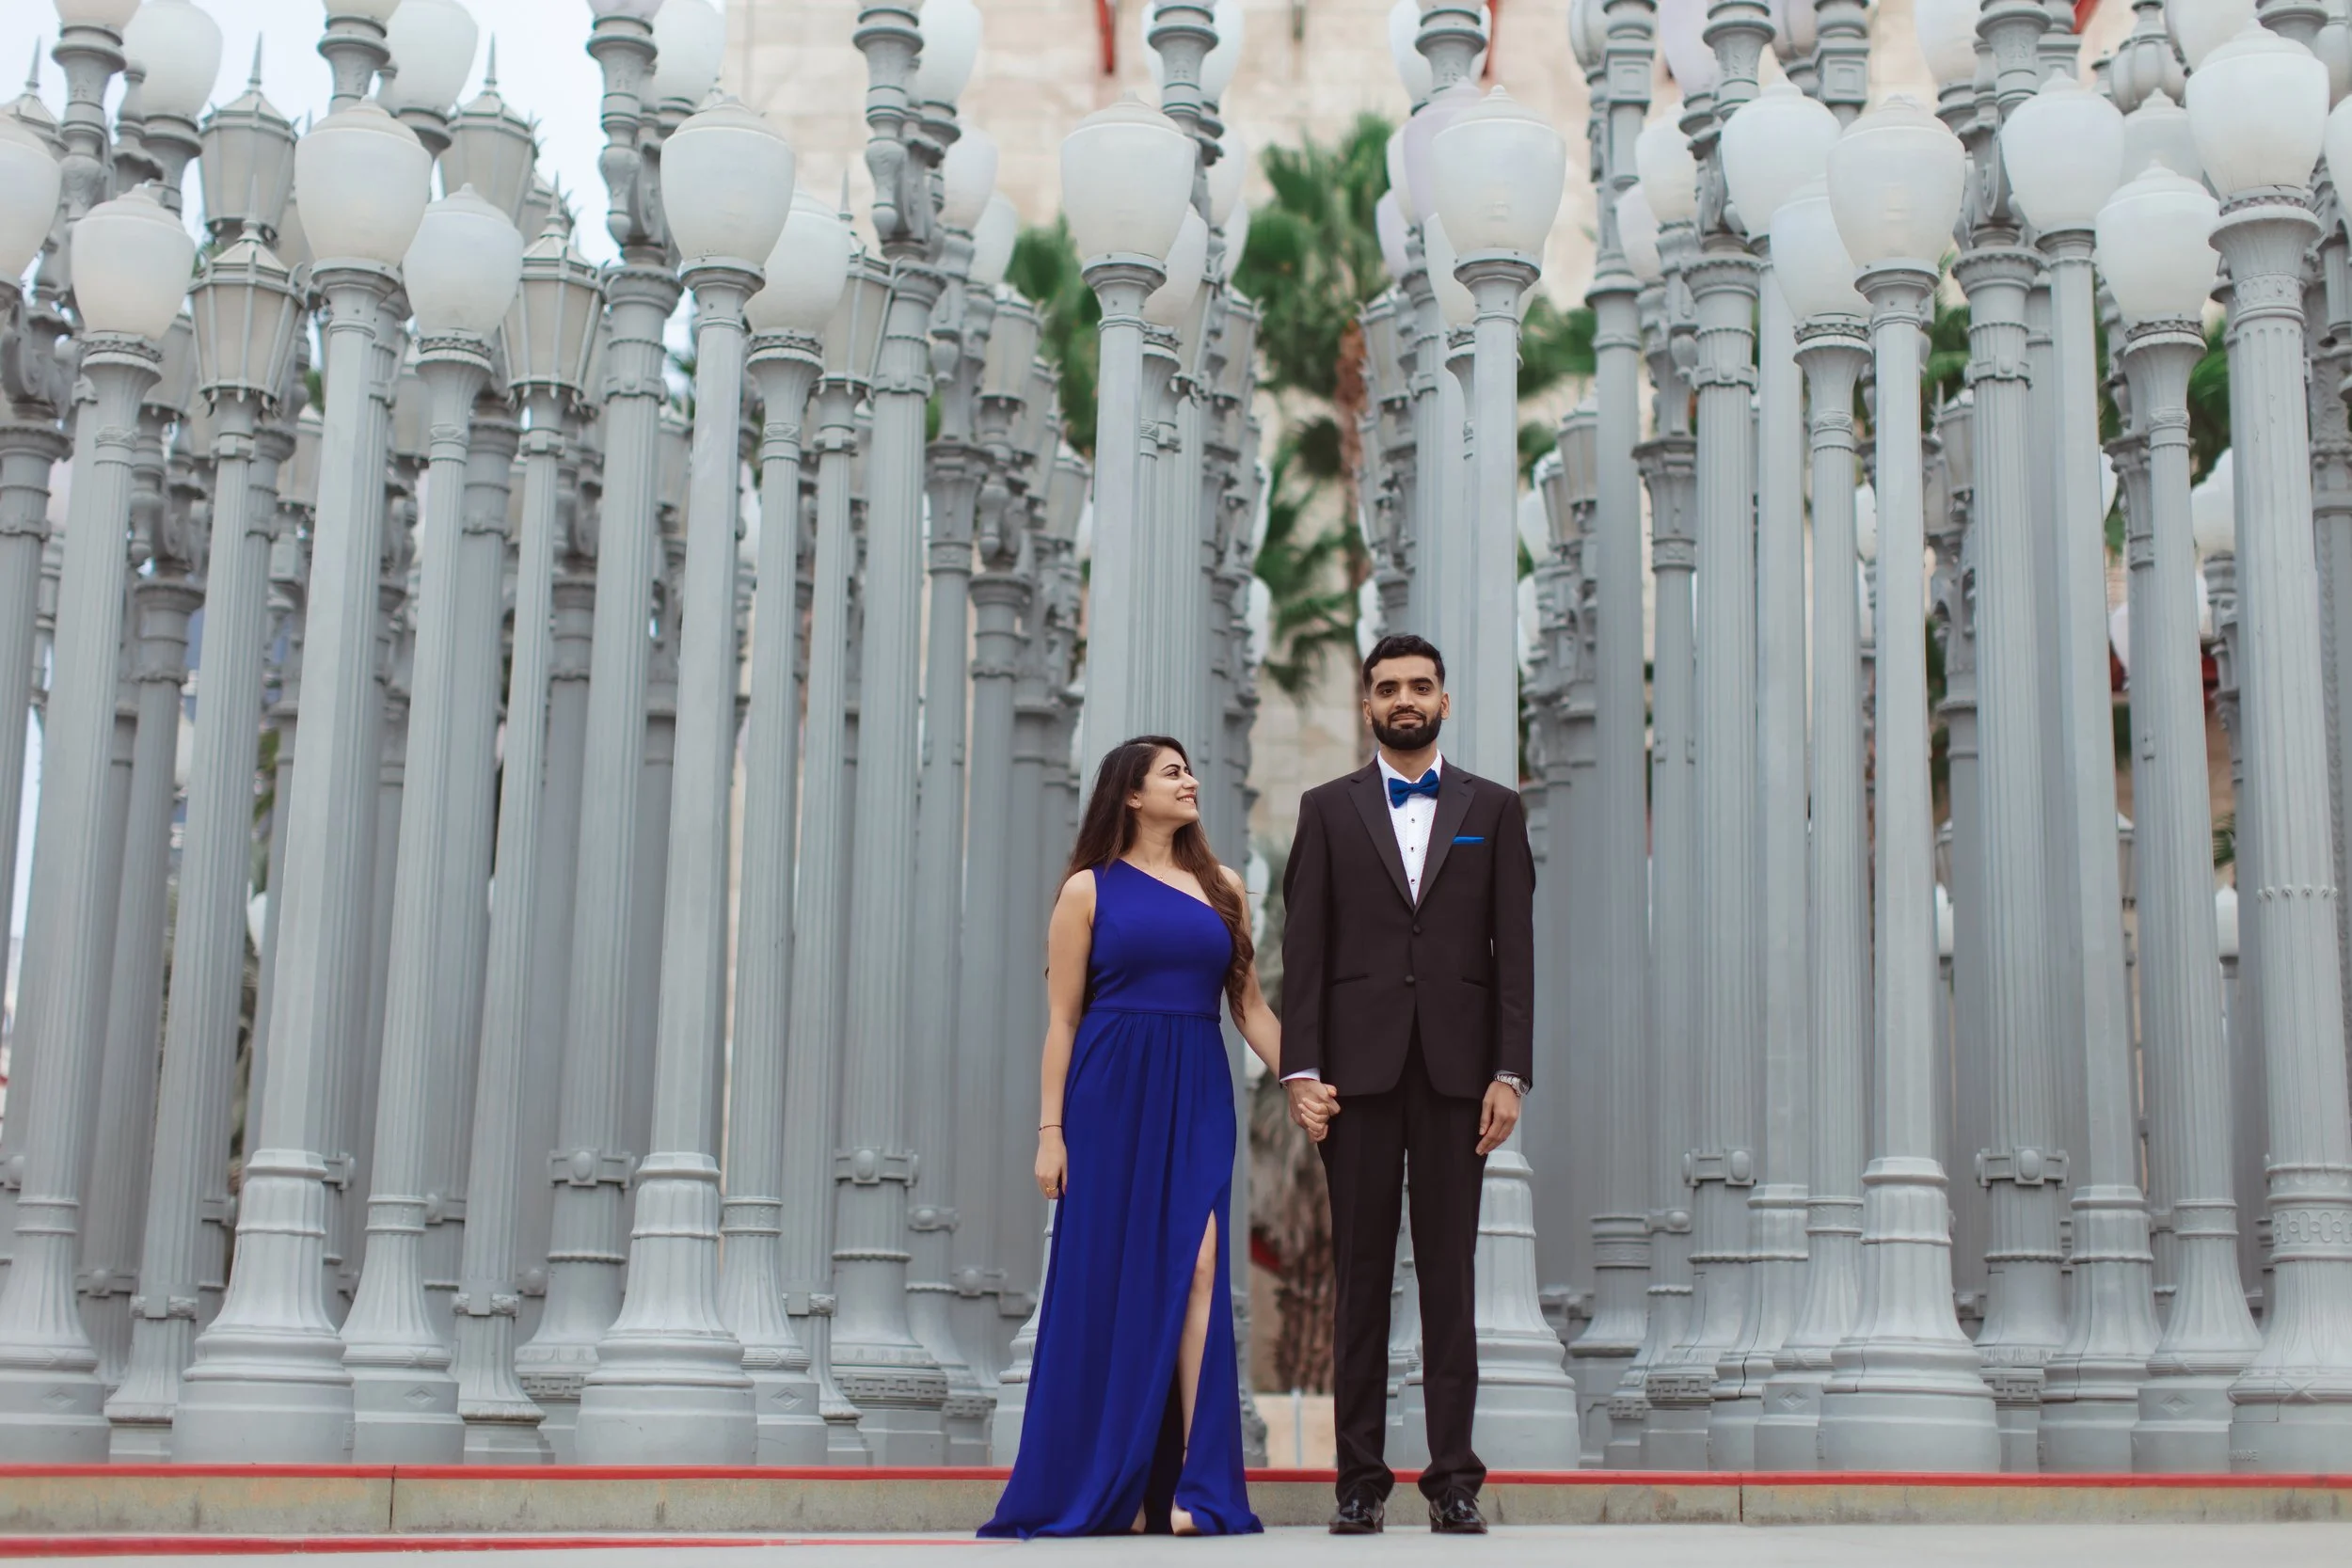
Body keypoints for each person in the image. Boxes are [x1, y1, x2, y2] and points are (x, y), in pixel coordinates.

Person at [981, 736, 1284, 1539]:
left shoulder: (1223, 887)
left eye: (1190, 769)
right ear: (1130, 793)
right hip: (1109, 1096)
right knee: (1110, 1281)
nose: (1191, 781)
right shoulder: (1086, 889)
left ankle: (1196, 1483)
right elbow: (1062, 1021)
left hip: (1197, 1090)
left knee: (1200, 1264)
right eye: (1172, 772)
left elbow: (1250, 1008)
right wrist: (1051, 1132)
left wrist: (1304, 1077)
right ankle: (1120, 1485)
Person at [1279, 634, 1534, 1536]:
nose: (1404, 699)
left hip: (1461, 1076)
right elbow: (1304, 950)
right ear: (1368, 705)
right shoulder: (1326, 809)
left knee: (1450, 1277)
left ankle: (1453, 1478)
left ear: (1444, 701)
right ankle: (1359, 1480)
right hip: (1356, 1077)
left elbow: (1514, 952)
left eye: (1420, 685)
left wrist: (1510, 1071)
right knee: (1359, 1274)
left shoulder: (1493, 808)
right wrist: (1302, 1070)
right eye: (1387, 687)